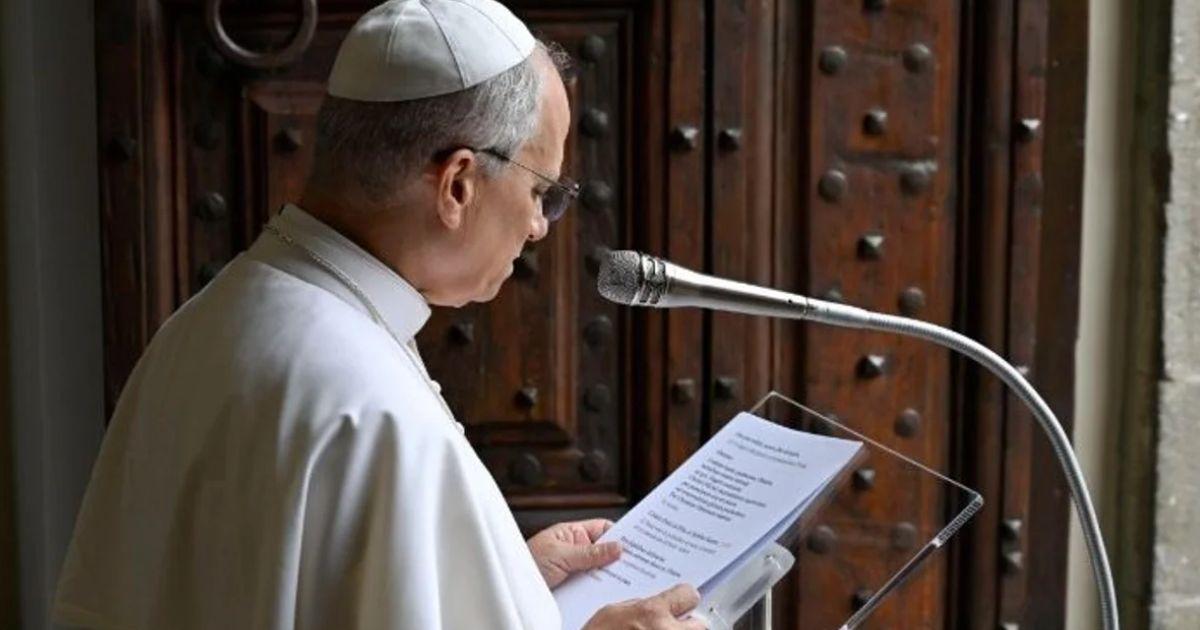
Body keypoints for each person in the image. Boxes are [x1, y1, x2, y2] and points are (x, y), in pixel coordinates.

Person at [53, 1, 704, 629]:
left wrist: (502, 581)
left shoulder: (206, 322)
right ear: (457, 184)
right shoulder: (376, 410)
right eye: (541, 192)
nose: (538, 226)